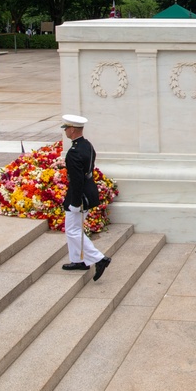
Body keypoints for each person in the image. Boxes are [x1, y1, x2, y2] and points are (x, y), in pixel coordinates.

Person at [60, 115, 111, 280]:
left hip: (80, 197)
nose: (65, 131)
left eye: (66, 128)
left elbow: (76, 180)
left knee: (73, 230)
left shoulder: (73, 153)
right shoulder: (87, 145)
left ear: (73, 130)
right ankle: (78, 260)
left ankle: (99, 258)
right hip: (89, 192)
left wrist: (75, 203)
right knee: (75, 229)